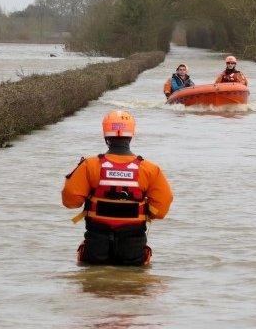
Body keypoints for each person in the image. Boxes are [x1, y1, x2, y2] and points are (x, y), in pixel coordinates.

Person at [62, 110, 173, 266]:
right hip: (133, 246)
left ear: (105, 134)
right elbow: (160, 211)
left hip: (96, 243)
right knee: (133, 286)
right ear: (132, 133)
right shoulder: (150, 169)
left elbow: (70, 201)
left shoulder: (89, 166)